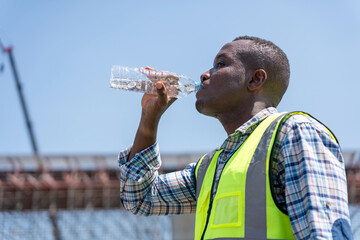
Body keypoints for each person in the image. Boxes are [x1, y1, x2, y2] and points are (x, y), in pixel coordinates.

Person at [118, 36, 353, 239]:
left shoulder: (295, 133)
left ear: (255, 79)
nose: (204, 74)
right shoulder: (210, 167)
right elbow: (140, 198)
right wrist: (150, 117)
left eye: (220, 64)